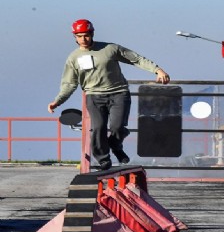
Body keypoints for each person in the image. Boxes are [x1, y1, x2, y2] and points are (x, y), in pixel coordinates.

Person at [47, 19, 171, 170]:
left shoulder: (109, 49)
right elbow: (69, 83)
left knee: (117, 127)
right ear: (75, 37)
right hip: (94, 96)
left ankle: (116, 145)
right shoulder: (73, 58)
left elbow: (136, 59)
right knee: (98, 127)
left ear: (92, 34)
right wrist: (58, 101)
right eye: (79, 36)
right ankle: (103, 159)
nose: (83, 39)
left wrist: (158, 70)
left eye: (86, 35)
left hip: (118, 93)